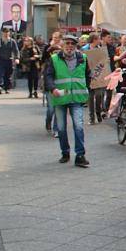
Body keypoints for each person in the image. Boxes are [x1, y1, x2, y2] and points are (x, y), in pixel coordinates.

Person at [43, 34, 91, 167]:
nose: (70, 46)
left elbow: (88, 75)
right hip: (60, 97)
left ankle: (80, 155)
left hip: (77, 97)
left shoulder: (83, 58)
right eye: (67, 43)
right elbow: (48, 76)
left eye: (72, 44)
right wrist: (53, 89)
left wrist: (86, 88)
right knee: (62, 128)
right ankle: (65, 152)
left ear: (76, 46)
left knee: (79, 126)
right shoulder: (54, 59)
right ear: (63, 45)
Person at [0, 27, 20, 94]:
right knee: (0, 73)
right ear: (2, 33)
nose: (6, 34)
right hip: (1, 60)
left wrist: (17, 58)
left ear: (9, 33)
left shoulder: (12, 41)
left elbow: (16, 51)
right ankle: (0, 86)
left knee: (8, 75)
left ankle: (7, 88)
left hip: (9, 60)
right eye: (5, 32)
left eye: (7, 32)